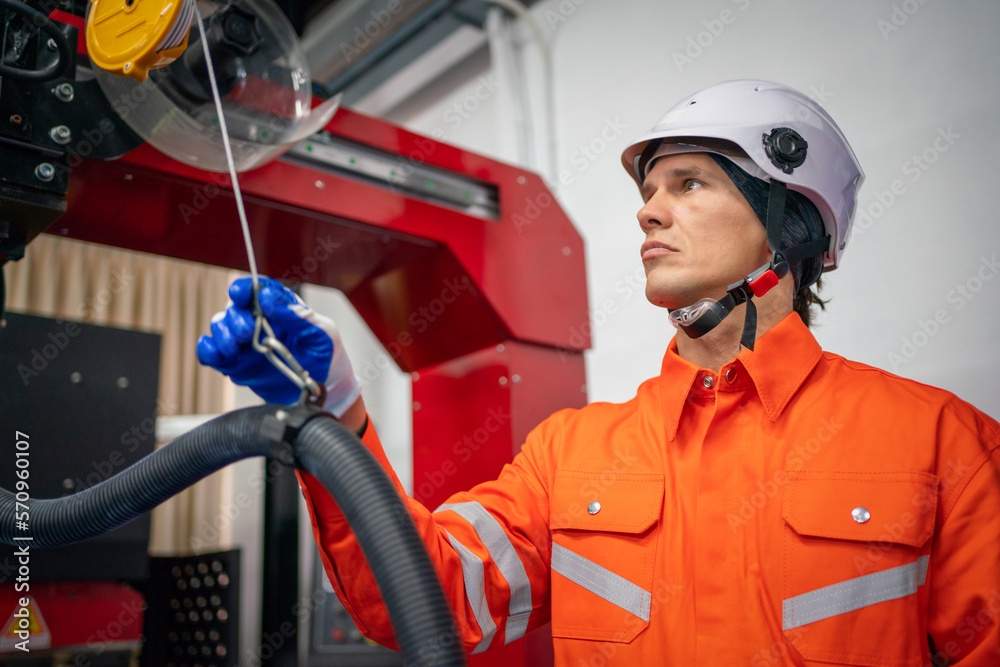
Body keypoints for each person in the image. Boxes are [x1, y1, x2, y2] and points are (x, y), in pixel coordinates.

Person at [197, 80, 1000, 665]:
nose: (648, 211)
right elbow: (427, 599)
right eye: (649, 192)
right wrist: (337, 412)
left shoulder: (941, 441)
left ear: (788, 221)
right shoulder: (571, 454)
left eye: (689, 184)